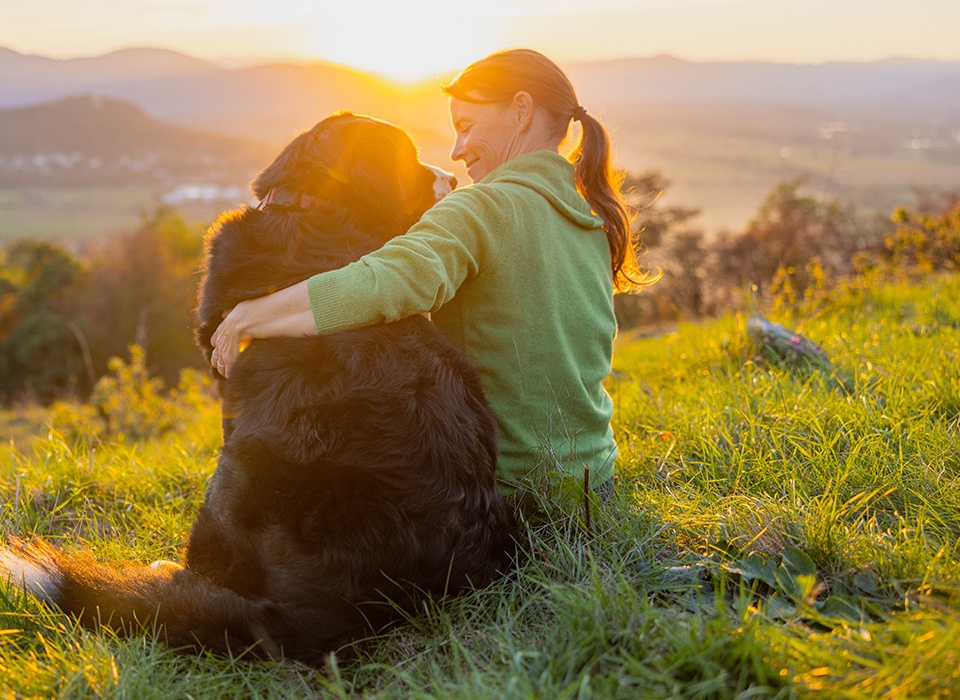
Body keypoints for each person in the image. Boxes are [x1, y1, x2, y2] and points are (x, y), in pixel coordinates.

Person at [210, 48, 652, 496]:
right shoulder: (591, 217)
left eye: (467, 127)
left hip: (514, 493)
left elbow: (383, 284)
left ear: (521, 110)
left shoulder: (483, 207)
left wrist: (250, 316)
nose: (458, 152)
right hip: (594, 482)